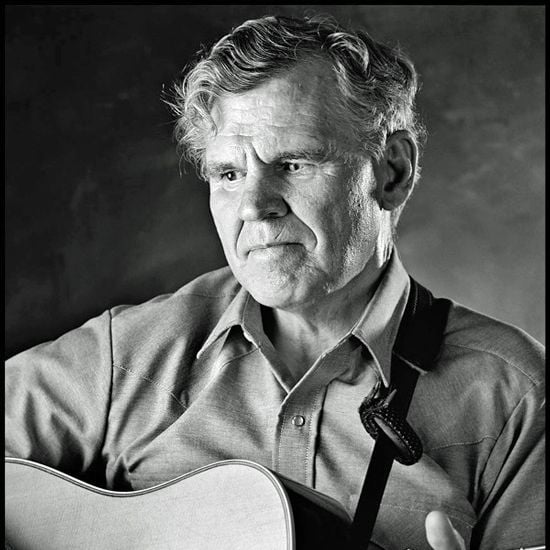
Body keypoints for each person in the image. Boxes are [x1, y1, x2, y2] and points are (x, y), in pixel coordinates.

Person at [5, 14, 544, 550]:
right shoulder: (123, 356)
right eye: (229, 174)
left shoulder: (516, 399)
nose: (255, 209)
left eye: (293, 164)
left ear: (392, 172)